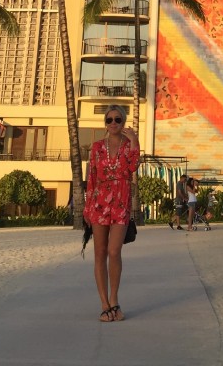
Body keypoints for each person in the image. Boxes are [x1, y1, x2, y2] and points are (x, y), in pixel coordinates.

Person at [83, 104, 140, 322]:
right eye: (109, 120)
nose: (113, 123)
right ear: (105, 123)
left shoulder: (129, 145)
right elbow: (92, 177)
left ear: (123, 122)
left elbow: (133, 167)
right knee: (100, 253)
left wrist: (134, 140)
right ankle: (104, 304)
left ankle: (114, 300)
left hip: (121, 202)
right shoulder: (97, 147)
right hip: (99, 202)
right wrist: (87, 207)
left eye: (118, 120)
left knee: (115, 252)